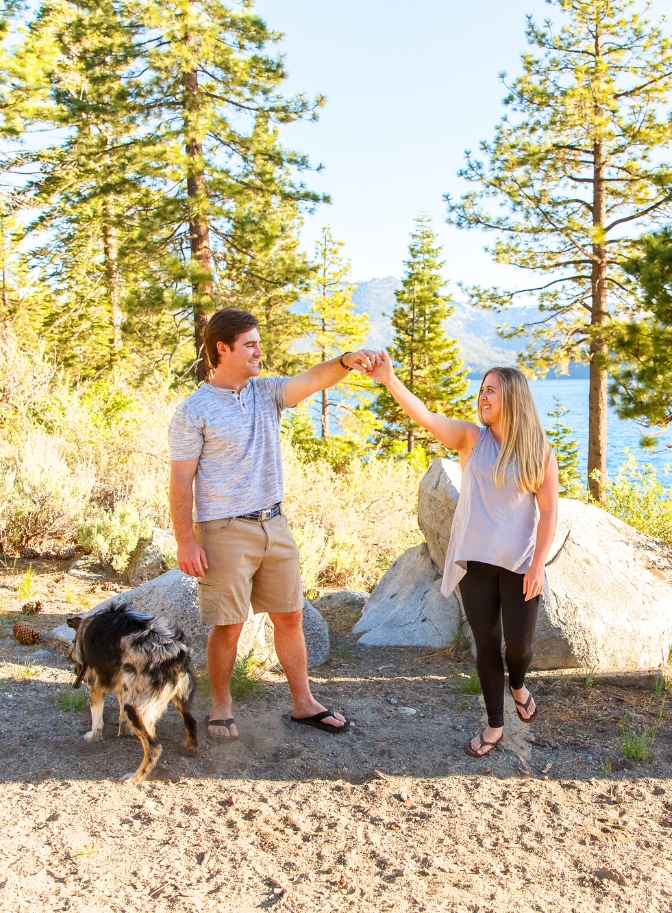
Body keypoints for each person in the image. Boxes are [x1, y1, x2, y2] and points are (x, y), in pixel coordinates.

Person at [168, 307, 379, 741]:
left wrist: (345, 361)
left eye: (258, 343)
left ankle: (303, 702)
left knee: (290, 616)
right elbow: (180, 480)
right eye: (250, 345)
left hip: (275, 525)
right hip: (224, 529)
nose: (259, 351)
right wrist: (185, 541)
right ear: (221, 349)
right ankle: (221, 704)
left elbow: (312, 379)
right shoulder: (194, 410)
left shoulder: (266, 392)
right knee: (229, 624)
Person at [369, 355, 558, 758]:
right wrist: (389, 379)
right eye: (481, 390)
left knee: (519, 649)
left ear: (511, 397)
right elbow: (423, 416)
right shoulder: (472, 438)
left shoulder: (539, 450)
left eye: (490, 390)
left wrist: (538, 563)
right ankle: (494, 725)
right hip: (476, 562)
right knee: (486, 645)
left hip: (520, 563)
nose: (482, 397)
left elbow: (549, 511)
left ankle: (519, 684)